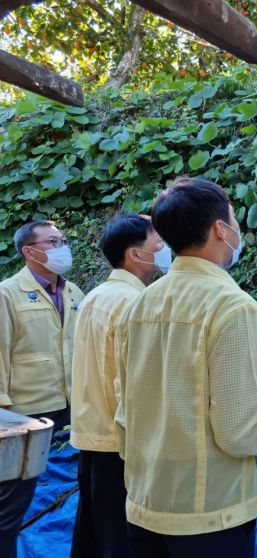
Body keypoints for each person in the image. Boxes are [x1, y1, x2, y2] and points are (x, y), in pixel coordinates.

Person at [115, 177, 257, 557]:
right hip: (209, 512)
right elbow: (241, 432)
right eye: (233, 218)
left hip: (144, 503)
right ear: (220, 229)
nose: (237, 228)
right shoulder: (234, 307)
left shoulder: (141, 303)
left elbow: (126, 409)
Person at [70, 214, 171, 558]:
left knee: (94, 534)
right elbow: (129, 383)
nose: (164, 249)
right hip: (121, 441)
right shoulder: (134, 303)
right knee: (121, 540)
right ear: (135, 254)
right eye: (158, 243)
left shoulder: (96, 296)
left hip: (92, 435)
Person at [0, 220, 85, 558]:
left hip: (73, 400)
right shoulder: (7, 293)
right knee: (11, 501)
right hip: (25, 409)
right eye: (53, 242)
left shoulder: (73, 291)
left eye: (63, 239)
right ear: (29, 251)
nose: (62, 246)